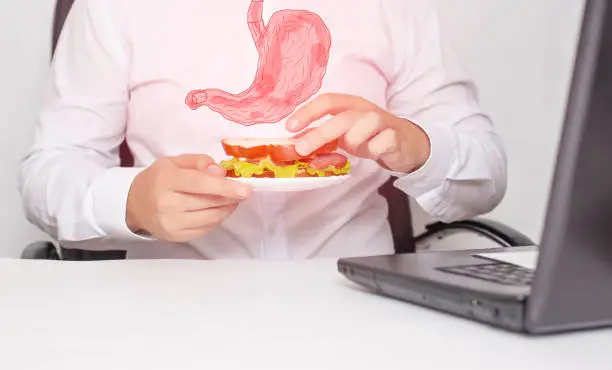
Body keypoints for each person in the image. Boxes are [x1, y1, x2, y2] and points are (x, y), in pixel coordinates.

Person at [18, 0, 506, 260]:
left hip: (358, 310)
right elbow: (50, 169)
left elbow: (487, 174)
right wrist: (131, 201)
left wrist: (420, 147)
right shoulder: (114, 5)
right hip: (174, 317)